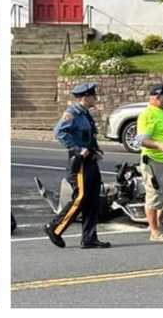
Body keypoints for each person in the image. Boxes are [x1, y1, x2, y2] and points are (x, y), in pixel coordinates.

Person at [44, 82, 110, 249]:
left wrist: (95, 149)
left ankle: (89, 238)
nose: (96, 98)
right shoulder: (72, 113)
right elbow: (59, 132)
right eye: (93, 95)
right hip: (80, 163)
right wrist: (78, 149)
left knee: (93, 200)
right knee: (80, 198)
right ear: (85, 97)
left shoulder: (85, 114)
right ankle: (54, 227)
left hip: (91, 161)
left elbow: (88, 136)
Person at [136, 84, 163, 243]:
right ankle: (154, 231)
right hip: (156, 161)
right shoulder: (148, 114)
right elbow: (141, 140)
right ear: (156, 97)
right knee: (154, 197)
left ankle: (158, 222)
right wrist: (160, 145)